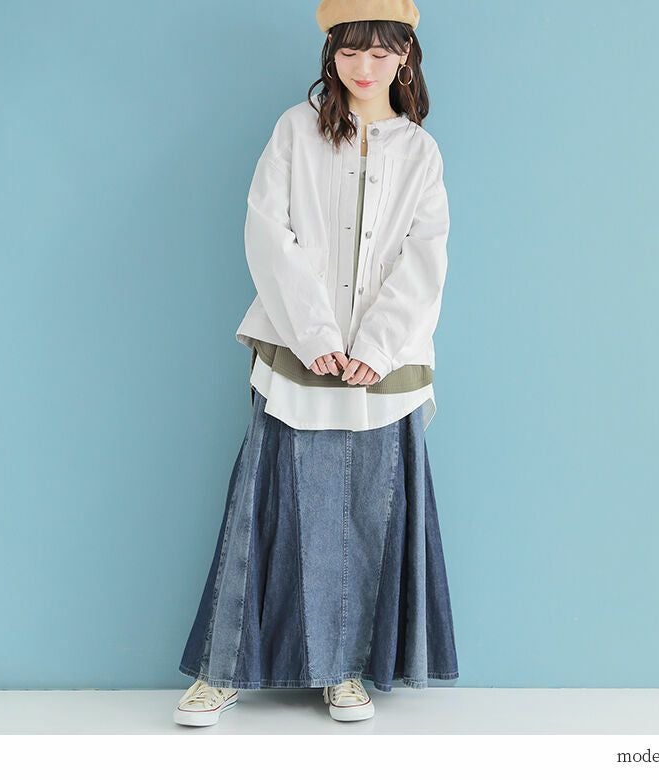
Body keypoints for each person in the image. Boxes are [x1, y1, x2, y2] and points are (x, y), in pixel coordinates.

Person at [174, 0, 458, 727]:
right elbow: (269, 232)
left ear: (405, 57)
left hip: (385, 368)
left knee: (371, 515)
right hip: (297, 352)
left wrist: (375, 348)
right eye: (349, 51)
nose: (364, 67)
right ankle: (224, 670)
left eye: (380, 53)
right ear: (331, 54)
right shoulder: (295, 131)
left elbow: (424, 258)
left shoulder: (420, 152)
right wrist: (315, 334)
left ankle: (346, 670)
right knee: (265, 510)